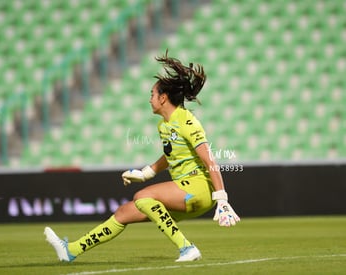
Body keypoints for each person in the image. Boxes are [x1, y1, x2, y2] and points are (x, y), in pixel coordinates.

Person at [44, 50, 240, 263]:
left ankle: (186, 248)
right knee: (123, 213)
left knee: (143, 197)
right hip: (185, 189)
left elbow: (209, 160)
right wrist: (145, 173)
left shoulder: (187, 121)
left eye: (152, 95)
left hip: (199, 188)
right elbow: (170, 155)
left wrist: (221, 198)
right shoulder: (164, 125)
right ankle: (71, 250)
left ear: (163, 98)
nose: (150, 100)